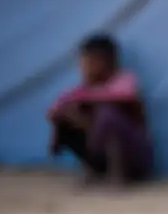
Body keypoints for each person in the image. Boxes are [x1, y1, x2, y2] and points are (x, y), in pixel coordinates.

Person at [47, 34, 152, 185]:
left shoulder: (124, 79)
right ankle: (93, 171)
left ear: (107, 62)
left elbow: (126, 96)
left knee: (108, 114)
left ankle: (118, 176)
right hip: (101, 154)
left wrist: (85, 100)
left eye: (89, 63)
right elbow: (54, 110)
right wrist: (61, 121)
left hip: (134, 160)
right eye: (82, 64)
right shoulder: (81, 90)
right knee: (66, 115)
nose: (84, 69)